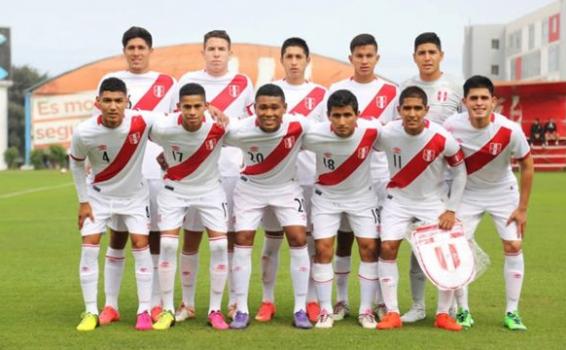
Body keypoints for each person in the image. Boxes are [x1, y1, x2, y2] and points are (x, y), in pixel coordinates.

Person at [96, 26, 178, 325]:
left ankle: (155, 304)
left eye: (141, 48)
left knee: (153, 238)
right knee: (117, 238)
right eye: (131, 48)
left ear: (150, 51)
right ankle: (111, 304)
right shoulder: (110, 82)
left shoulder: (168, 83)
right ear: (124, 51)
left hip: (156, 174)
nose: (136, 53)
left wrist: (169, 155)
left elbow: (173, 126)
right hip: (119, 176)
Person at [175, 30, 255, 322]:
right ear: (203, 52)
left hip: (232, 170)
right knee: (191, 238)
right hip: (196, 171)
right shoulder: (188, 81)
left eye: (222, 48)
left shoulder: (243, 82)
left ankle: (234, 302)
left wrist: (228, 120)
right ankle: (187, 303)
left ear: (230, 53)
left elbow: (251, 122)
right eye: (211, 48)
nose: (217, 53)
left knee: (228, 239)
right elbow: (177, 119)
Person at [443, 75, 534, 330]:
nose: (479, 103)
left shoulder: (510, 130)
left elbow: (527, 165)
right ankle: (462, 310)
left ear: (494, 101)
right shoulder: (451, 126)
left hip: (502, 193)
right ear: (465, 101)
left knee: (513, 245)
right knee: (459, 249)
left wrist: (523, 208)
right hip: (467, 193)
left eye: (484, 98)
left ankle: (512, 312)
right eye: (474, 98)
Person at [375, 86, 467, 331]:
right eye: (407, 108)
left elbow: (460, 173)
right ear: (399, 110)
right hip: (398, 200)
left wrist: (451, 209)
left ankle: (442, 314)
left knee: (444, 255)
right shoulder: (386, 133)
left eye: (418, 108)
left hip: (431, 203)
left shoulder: (442, 137)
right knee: (387, 248)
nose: (412, 113)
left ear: (426, 110)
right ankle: (392, 312)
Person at [71, 78, 157, 331]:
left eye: (118, 101)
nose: (112, 106)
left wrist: (210, 113)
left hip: (134, 196)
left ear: (127, 102)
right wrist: (83, 201)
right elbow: (76, 164)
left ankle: (143, 310)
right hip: (98, 196)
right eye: (107, 101)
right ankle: (91, 311)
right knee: (89, 247)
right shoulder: (84, 131)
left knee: (141, 244)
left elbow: (175, 123)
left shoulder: (142, 121)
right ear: (97, 103)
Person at [225, 84, 312, 329]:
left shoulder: (299, 126)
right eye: (263, 107)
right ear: (255, 109)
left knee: (297, 238)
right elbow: (209, 137)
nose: (269, 113)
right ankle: (241, 309)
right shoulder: (240, 130)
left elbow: (328, 135)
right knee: (242, 239)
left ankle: (300, 309)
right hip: (250, 189)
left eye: (275, 107)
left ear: (285, 108)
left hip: (286, 189)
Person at [325, 33, 398, 321]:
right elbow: (325, 131)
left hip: (379, 176)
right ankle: (341, 301)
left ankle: (380, 301)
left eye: (369, 56)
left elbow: (395, 133)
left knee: (375, 242)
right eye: (359, 56)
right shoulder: (337, 89)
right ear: (351, 58)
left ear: (376, 58)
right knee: (343, 240)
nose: (364, 61)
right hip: (346, 177)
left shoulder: (391, 91)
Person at [256, 37, 327, 323]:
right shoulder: (269, 93)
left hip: (310, 178)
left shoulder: (322, 94)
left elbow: (326, 136)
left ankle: (310, 300)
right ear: (282, 60)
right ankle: (267, 300)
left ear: (308, 60)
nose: (295, 62)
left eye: (300, 56)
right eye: (290, 57)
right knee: (272, 241)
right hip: (275, 178)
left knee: (306, 242)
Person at [149, 83, 230, 330]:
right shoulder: (163, 127)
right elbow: (134, 125)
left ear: (206, 106)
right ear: (179, 107)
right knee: (169, 244)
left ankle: (215, 310)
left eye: (198, 106)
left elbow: (255, 131)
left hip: (210, 191)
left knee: (219, 247)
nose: (192, 112)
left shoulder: (220, 126)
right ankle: (168, 310)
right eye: (187, 107)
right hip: (175, 190)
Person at [399, 32, 465, 323]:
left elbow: (466, 126)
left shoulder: (455, 86)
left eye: (431, 52)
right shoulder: (405, 87)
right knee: (417, 246)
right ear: (414, 57)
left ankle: (452, 307)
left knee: (449, 244)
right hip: (416, 180)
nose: (427, 57)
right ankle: (417, 306)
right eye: (421, 52)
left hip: (448, 179)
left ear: (441, 55)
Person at [304, 90, 381, 329]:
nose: (342, 121)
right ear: (328, 116)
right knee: (323, 250)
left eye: (347, 115)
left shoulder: (373, 131)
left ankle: (366, 310)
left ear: (357, 115)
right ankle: (326, 309)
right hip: (326, 198)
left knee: (369, 249)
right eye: (336, 115)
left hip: (362, 198)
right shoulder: (313, 134)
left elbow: (404, 138)